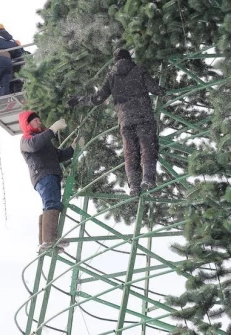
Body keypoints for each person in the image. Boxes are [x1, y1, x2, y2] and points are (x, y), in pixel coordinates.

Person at [67, 48, 165, 196]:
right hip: (143, 116)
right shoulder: (138, 70)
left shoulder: (111, 76)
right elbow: (154, 88)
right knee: (148, 147)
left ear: (115, 61)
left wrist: (78, 99)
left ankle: (134, 186)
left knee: (130, 153)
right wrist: (162, 91)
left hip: (125, 121)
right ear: (129, 58)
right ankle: (148, 179)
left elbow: (97, 98)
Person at [18, 110, 83, 252]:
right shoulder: (27, 140)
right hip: (43, 175)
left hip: (50, 174)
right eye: (35, 120)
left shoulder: (43, 142)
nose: (39, 122)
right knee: (51, 203)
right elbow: (35, 145)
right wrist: (53, 129)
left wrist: (73, 148)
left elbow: (57, 155)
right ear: (27, 124)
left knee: (50, 203)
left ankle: (45, 242)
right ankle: (49, 239)